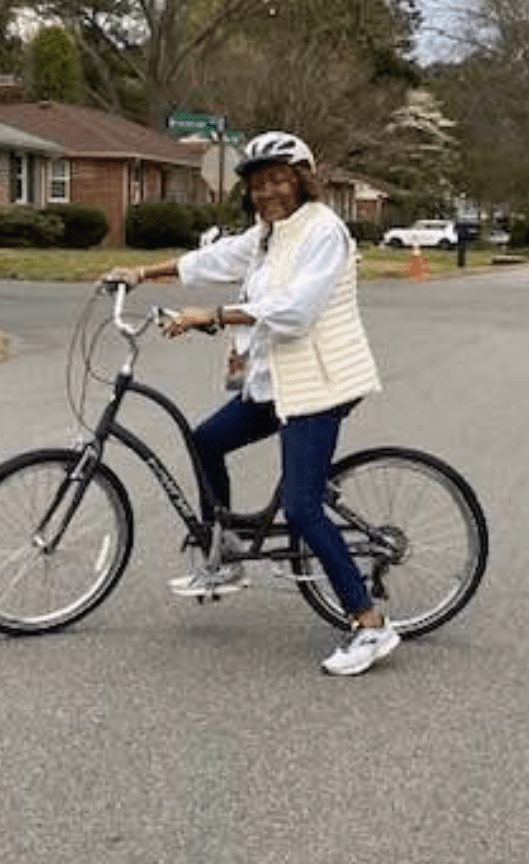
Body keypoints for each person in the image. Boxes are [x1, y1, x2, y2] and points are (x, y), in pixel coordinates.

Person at [106, 131, 398, 677]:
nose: (268, 193)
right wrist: (142, 273)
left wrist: (213, 316)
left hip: (319, 384)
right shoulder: (268, 235)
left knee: (302, 506)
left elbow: (295, 310)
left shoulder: (324, 232)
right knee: (206, 440)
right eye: (259, 185)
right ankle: (226, 552)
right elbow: (214, 259)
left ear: (303, 181)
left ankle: (369, 623)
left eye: (279, 181)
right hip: (277, 382)